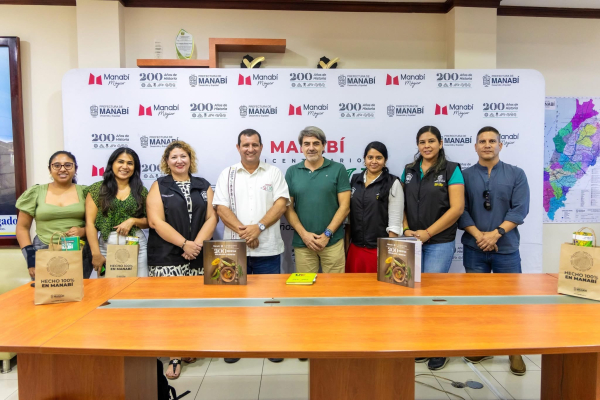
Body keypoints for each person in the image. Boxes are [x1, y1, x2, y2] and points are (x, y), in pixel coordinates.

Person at [213, 128, 290, 364]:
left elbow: (281, 204)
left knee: (269, 299)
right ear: (238, 148)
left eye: (255, 145)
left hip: (267, 247)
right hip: (234, 251)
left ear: (261, 147)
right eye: (245, 145)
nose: (250, 149)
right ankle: (234, 343)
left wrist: (259, 227)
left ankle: (271, 344)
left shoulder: (273, 172)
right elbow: (221, 208)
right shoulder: (227, 174)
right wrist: (245, 232)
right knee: (233, 300)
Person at [459, 126, 530, 376]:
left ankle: (514, 350)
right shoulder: (464, 175)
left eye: (492, 141)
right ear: (475, 146)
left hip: (506, 249)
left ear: (501, 145)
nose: (487, 145)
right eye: (482, 141)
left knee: (510, 303)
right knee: (478, 303)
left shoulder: (516, 174)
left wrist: (496, 234)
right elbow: (461, 210)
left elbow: (519, 210)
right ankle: (483, 345)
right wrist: (480, 236)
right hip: (474, 248)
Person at [146, 140, 217, 379]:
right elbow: (156, 221)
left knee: (195, 306)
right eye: (174, 157)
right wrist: (184, 244)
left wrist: (195, 245)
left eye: (183, 156)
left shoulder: (203, 185)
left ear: (190, 159)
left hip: (197, 255)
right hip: (167, 256)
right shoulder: (159, 185)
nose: (179, 161)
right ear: (167, 162)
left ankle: (191, 346)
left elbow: (211, 218)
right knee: (172, 308)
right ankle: (174, 355)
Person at [401, 126, 464, 372]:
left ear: (440, 143)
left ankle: (439, 348)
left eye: (431, 141)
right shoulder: (408, 170)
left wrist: (428, 233)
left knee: (434, 298)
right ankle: (421, 344)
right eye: (421, 142)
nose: (426, 146)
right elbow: (401, 203)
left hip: (438, 242)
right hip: (411, 242)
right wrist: (406, 229)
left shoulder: (452, 169)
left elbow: (457, 209)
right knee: (413, 297)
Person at [16, 151, 92, 279]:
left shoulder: (86, 192)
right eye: (57, 165)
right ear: (50, 169)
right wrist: (30, 257)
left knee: (78, 294)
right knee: (48, 295)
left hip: (79, 250)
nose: (62, 169)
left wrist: (84, 231)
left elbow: (98, 223)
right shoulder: (36, 192)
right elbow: (22, 227)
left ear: (75, 168)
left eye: (68, 165)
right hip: (44, 249)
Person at [285, 126, 351, 273]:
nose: (311, 148)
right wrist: (304, 235)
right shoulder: (292, 172)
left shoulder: (338, 169)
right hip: (303, 244)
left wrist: (327, 234)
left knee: (335, 290)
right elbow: (287, 208)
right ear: (301, 147)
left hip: (332, 242)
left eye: (316, 143)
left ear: (324, 146)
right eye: (307, 144)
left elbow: (345, 207)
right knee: (306, 292)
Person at [85, 148, 149, 278]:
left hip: (136, 246)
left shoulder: (141, 191)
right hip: (105, 247)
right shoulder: (97, 189)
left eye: (130, 163)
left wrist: (133, 221)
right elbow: (90, 224)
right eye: (120, 161)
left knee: (138, 288)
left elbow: (150, 221)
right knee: (108, 291)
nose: (125, 166)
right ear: (112, 164)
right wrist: (96, 253)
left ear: (135, 167)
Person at [345, 141, 403, 272]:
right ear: (364, 159)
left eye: (379, 157)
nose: (374, 161)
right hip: (356, 249)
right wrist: (346, 246)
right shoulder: (355, 180)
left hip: (379, 250)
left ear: (385, 160)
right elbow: (348, 219)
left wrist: (390, 253)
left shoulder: (392, 182)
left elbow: (395, 221)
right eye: (370, 157)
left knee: (377, 291)